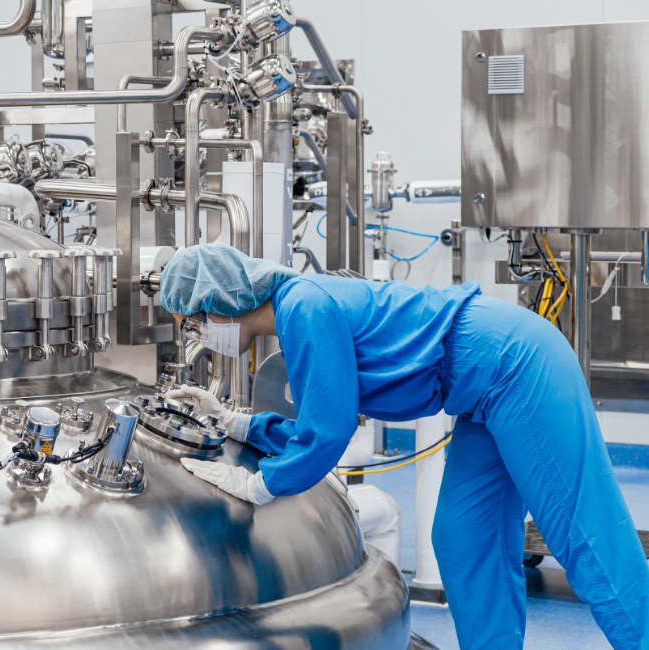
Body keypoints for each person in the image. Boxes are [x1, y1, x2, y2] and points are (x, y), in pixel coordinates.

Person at [158, 243, 649, 650]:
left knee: (585, 534)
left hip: (515, 362)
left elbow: (326, 436)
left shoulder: (303, 306)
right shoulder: (297, 312)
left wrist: (259, 484)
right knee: (463, 538)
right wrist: (236, 424)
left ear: (217, 302)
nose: (198, 335)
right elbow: (317, 424)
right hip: (478, 394)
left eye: (192, 323)